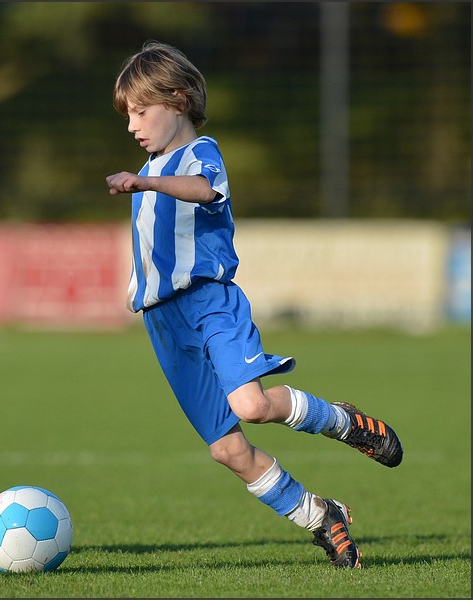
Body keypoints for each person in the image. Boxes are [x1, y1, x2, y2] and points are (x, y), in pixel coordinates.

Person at [105, 41, 403, 569]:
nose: (132, 124)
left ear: (178, 98)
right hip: (163, 322)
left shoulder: (200, 155)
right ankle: (320, 516)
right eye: (128, 113)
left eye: (140, 110)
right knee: (228, 450)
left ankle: (343, 421)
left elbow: (201, 190)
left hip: (210, 303)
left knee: (252, 406)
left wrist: (145, 181)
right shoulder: (148, 168)